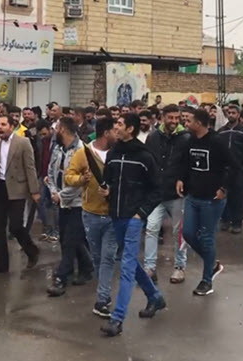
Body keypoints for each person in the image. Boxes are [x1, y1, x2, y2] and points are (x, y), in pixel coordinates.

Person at [99, 113, 166, 338]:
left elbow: (158, 189)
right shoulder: (113, 153)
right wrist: (106, 190)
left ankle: (117, 319)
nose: (115, 127)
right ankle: (155, 297)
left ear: (130, 128)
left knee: (126, 266)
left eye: (119, 124)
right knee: (130, 262)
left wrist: (141, 213)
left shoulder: (145, 156)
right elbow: (108, 179)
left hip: (134, 218)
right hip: (116, 215)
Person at [177, 108, 233, 297]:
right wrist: (180, 179)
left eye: (189, 120)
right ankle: (213, 264)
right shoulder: (190, 140)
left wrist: (224, 188)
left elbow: (233, 166)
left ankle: (206, 280)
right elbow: (185, 163)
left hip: (212, 199)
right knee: (188, 233)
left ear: (199, 123)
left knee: (207, 238)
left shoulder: (217, 141)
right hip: (193, 196)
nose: (186, 123)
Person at [64, 116, 117, 317]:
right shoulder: (83, 153)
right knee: (97, 257)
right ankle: (103, 291)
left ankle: (102, 299)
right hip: (90, 214)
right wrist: (82, 179)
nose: (117, 134)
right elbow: (68, 177)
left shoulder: (117, 153)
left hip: (113, 215)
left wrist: (113, 191)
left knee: (108, 257)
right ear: (106, 133)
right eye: (114, 131)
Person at [0, 115, 40, 273]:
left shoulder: (23, 142)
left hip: (17, 188)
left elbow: (30, 167)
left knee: (15, 226)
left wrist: (34, 190)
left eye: (3, 124)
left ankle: (32, 251)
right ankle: (1, 265)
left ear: (11, 126)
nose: (0, 127)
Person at [45, 116, 93, 297]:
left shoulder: (82, 151)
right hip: (60, 200)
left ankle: (60, 278)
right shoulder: (57, 148)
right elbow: (51, 171)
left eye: (57, 128)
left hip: (77, 203)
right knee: (69, 238)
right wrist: (52, 191)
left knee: (69, 240)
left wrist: (61, 196)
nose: (54, 131)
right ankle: (87, 267)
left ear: (63, 130)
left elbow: (80, 182)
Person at [143, 104, 190, 284]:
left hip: (177, 194)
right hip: (156, 193)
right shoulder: (153, 137)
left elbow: (188, 164)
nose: (174, 121)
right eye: (170, 118)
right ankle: (150, 267)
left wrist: (182, 179)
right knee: (151, 228)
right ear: (162, 118)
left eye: (177, 118)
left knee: (179, 232)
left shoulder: (186, 138)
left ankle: (179, 267)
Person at [216, 104, 243, 234]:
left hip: (239, 169)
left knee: (238, 196)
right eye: (229, 112)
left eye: (233, 113)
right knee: (223, 194)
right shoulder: (221, 131)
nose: (231, 115)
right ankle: (225, 220)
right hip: (223, 169)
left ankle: (237, 222)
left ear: (238, 115)